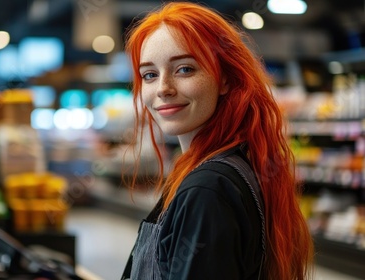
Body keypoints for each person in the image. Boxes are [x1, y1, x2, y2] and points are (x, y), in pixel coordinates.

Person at [121, 2, 314, 279]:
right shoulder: (235, 165)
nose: (163, 88)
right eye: (149, 75)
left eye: (184, 69)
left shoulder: (207, 190)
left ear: (224, 78)